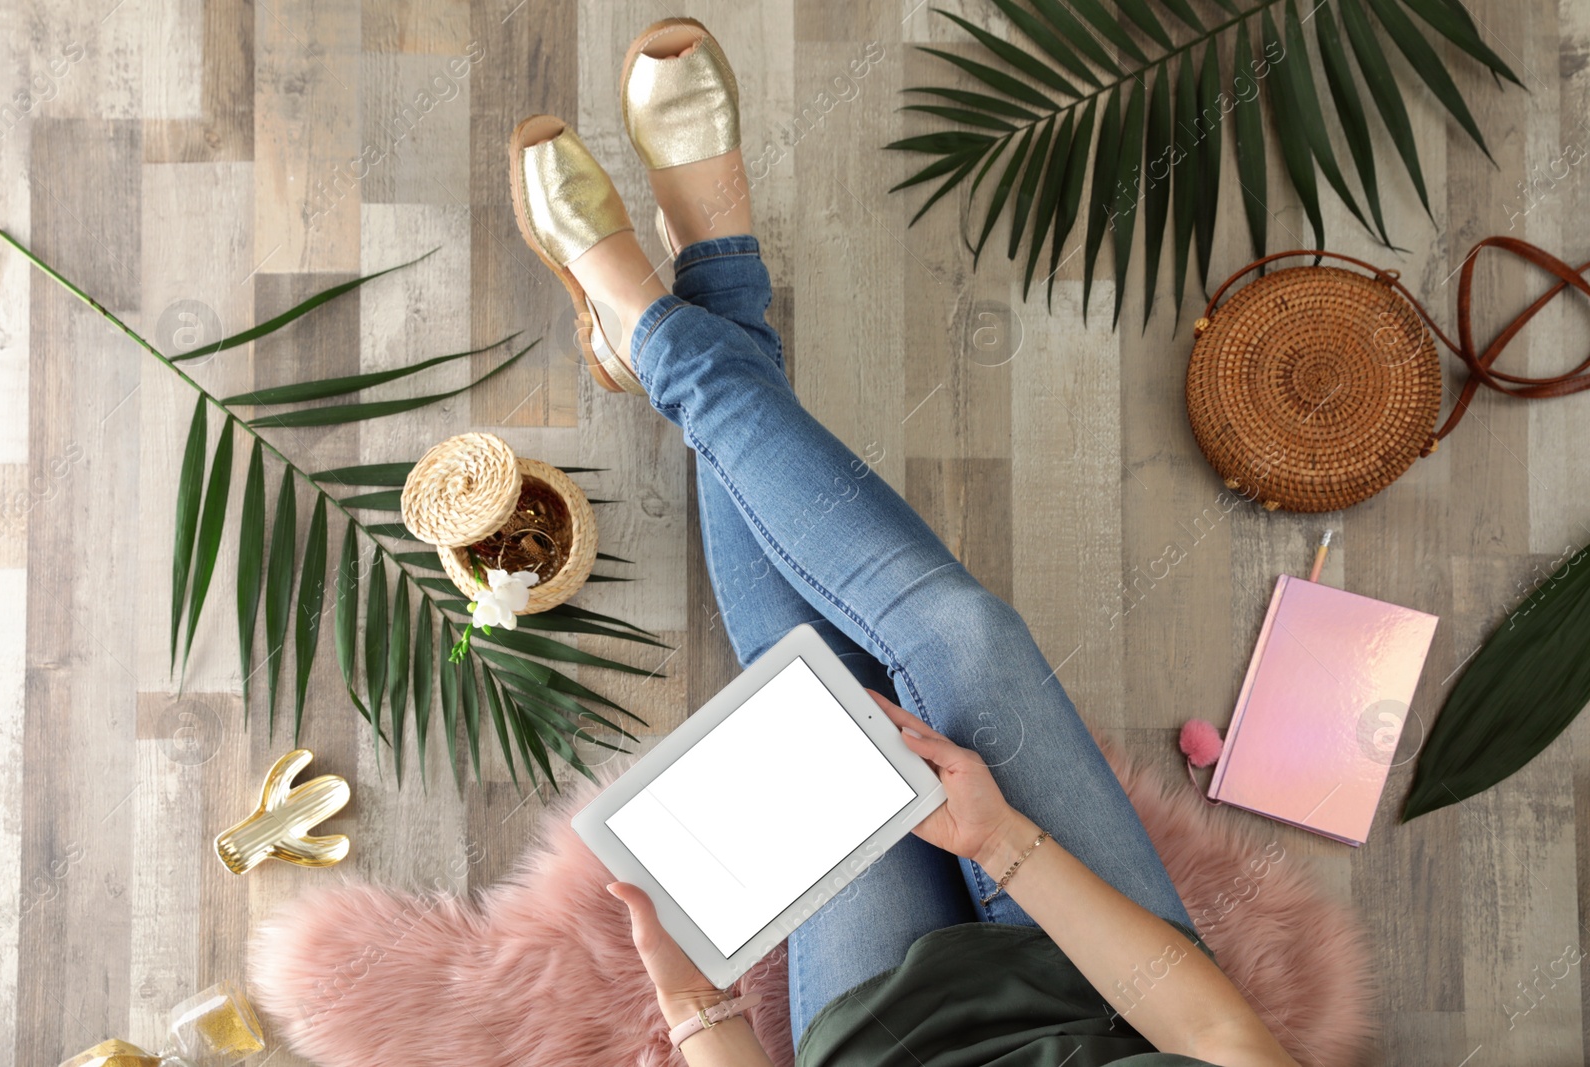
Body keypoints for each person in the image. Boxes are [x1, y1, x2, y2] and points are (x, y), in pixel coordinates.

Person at [509, 18, 1302, 1067]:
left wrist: (699, 1011)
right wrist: (1001, 842)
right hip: (1119, 989)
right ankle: (665, 323)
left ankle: (692, 293)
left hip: (890, 1039)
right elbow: (1215, 1033)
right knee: (959, 631)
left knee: (815, 689)